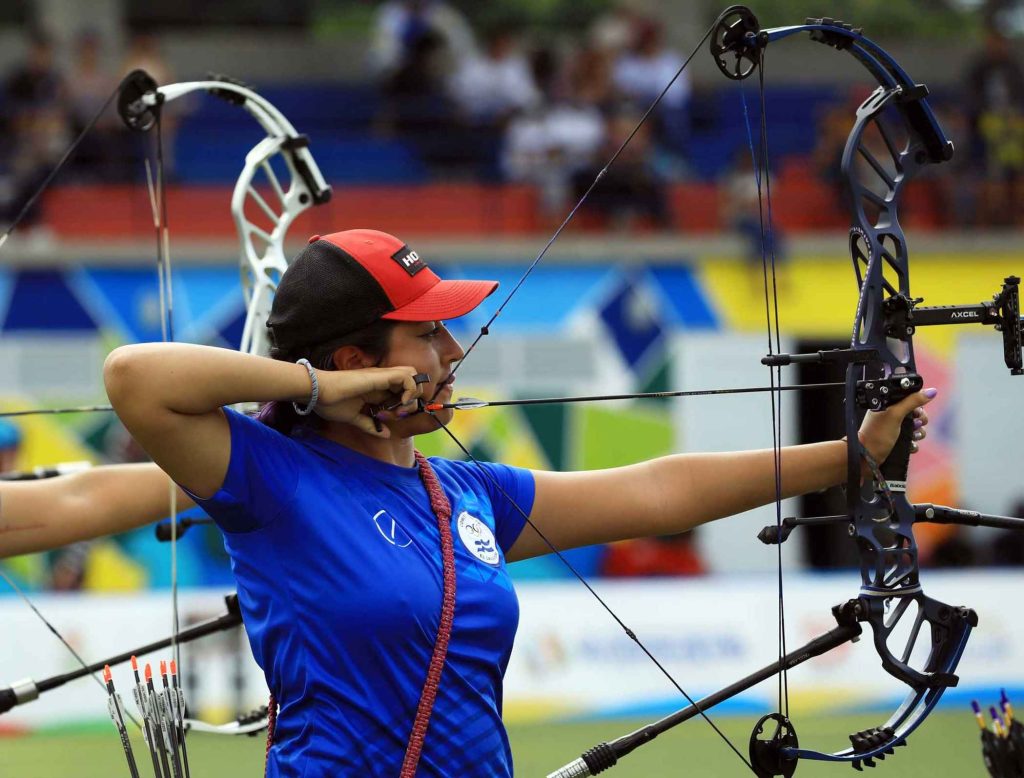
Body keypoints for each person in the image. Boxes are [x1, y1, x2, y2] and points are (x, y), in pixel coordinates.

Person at [100, 228, 933, 777]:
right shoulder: (272, 481)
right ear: (359, 358)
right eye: (428, 335)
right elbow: (135, 379)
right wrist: (323, 386)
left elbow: (656, 488)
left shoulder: (470, 495)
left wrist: (850, 456)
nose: (455, 351)